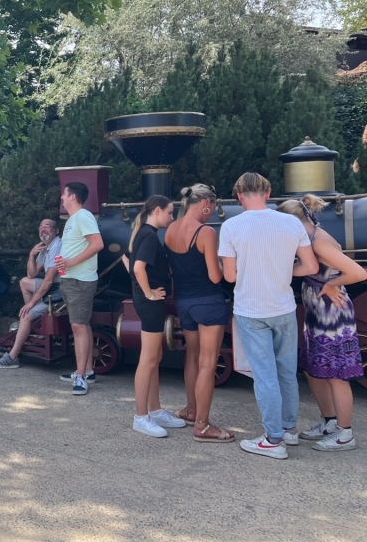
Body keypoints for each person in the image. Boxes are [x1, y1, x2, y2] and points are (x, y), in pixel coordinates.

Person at [219, 172, 318, 459]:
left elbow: (229, 276)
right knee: (287, 372)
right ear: (268, 193)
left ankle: (273, 439)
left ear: (239, 195)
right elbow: (311, 267)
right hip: (284, 307)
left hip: (251, 309)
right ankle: (288, 429)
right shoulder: (290, 223)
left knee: (265, 376)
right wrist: (284, 271)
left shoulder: (231, 226)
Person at [277, 194, 366, 452]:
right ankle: (330, 422)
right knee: (313, 369)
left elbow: (358, 272)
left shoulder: (320, 243)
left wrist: (331, 284)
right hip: (318, 314)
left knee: (336, 375)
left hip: (333, 317)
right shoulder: (311, 238)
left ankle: (345, 434)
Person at [165, 184, 234, 442]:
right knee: (208, 363)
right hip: (209, 304)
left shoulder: (171, 229)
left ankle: (191, 410)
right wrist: (223, 262)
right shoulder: (206, 232)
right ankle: (203, 426)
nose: (212, 212)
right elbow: (216, 277)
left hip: (185, 303)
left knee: (192, 357)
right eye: (212, 207)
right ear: (205, 203)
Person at [125, 195, 187, 437]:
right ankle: (141, 417)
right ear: (158, 210)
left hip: (148, 302)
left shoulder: (143, 233)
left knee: (155, 356)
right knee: (148, 359)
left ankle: (155, 410)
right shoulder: (149, 236)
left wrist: (142, 289)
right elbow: (137, 267)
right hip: (150, 304)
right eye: (170, 213)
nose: (172, 217)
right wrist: (149, 292)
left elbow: (126, 260)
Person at [0, 219, 63, 369]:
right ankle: (33, 320)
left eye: (48, 226)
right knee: (24, 282)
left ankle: (12, 357)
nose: (43, 229)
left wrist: (31, 304)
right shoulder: (46, 247)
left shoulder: (57, 246)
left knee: (26, 315)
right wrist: (31, 255)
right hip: (51, 287)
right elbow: (31, 274)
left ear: (56, 231)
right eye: (41, 227)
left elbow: (49, 280)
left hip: (59, 291)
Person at [57, 181, 105, 395]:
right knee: (82, 324)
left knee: (78, 326)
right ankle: (87, 371)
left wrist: (71, 262)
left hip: (80, 280)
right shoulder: (73, 219)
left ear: (73, 196)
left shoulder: (83, 216)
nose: (62, 198)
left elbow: (98, 244)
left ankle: (81, 377)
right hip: (71, 280)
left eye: (64, 194)